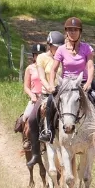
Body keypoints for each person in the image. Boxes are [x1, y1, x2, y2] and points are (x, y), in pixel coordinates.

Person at [39, 16, 95, 143]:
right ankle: (49, 131)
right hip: (66, 83)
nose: (72, 32)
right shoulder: (61, 49)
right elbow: (54, 69)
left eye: (75, 30)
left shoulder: (87, 48)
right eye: (70, 30)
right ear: (66, 32)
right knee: (50, 102)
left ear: (80, 32)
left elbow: (91, 67)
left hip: (83, 82)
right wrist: (51, 85)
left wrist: (88, 83)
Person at [26, 31, 64, 167]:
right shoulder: (42, 58)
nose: (58, 48)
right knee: (31, 119)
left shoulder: (64, 55)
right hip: (47, 93)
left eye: (60, 46)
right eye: (55, 46)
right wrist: (50, 87)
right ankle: (36, 154)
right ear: (49, 45)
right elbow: (42, 77)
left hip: (62, 93)